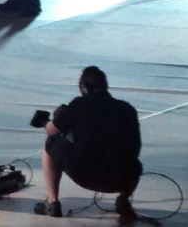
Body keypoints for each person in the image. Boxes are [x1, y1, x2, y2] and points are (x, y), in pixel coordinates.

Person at [35, 66, 142, 221]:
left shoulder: (79, 104)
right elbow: (135, 148)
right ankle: (123, 199)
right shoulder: (127, 109)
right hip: (122, 178)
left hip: (85, 175)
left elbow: (51, 130)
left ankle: (53, 203)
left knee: (50, 144)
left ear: (83, 87)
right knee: (135, 163)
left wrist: (48, 121)